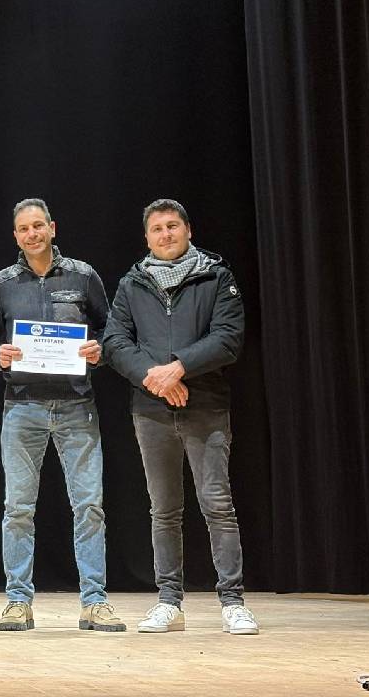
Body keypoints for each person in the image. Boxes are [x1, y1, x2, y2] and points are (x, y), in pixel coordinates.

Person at [102, 199, 259, 635]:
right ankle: (169, 602)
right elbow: (115, 342)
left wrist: (180, 367)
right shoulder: (132, 282)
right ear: (147, 237)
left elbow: (228, 338)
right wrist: (155, 378)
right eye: (157, 229)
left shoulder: (216, 275)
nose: (165, 234)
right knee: (164, 510)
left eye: (172, 226)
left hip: (206, 406)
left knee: (218, 505)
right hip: (151, 410)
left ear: (188, 230)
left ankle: (233, 602)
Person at [0, 198, 126, 632]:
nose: (32, 234)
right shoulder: (2, 284)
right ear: (16, 236)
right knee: (18, 508)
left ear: (52, 228)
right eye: (24, 229)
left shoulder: (83, 275)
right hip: (21, 406)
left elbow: (111, 331)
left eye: (38, 226)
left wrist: (99, 351)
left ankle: (94, 602)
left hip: (77, 405)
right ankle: (17, 601)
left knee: (89, 506)